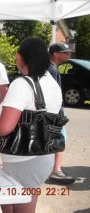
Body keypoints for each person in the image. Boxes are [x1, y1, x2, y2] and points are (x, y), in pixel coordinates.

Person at [0, 37, 62, 213]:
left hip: (24, 161)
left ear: (22, 57)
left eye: (17, 54)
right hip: (41, 155)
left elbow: (5, 127)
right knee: (12, 203)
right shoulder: (51, 82)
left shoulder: (22, 84)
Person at [48, 43, 75, 184]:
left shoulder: (49, 68)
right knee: (60, 139)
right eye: (65, 52)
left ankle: (50, 169)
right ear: (56, 54)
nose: (68, 55)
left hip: (50, 112)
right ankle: (56, 171)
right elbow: (53, 95)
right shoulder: (52, 70)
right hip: (54, 113)